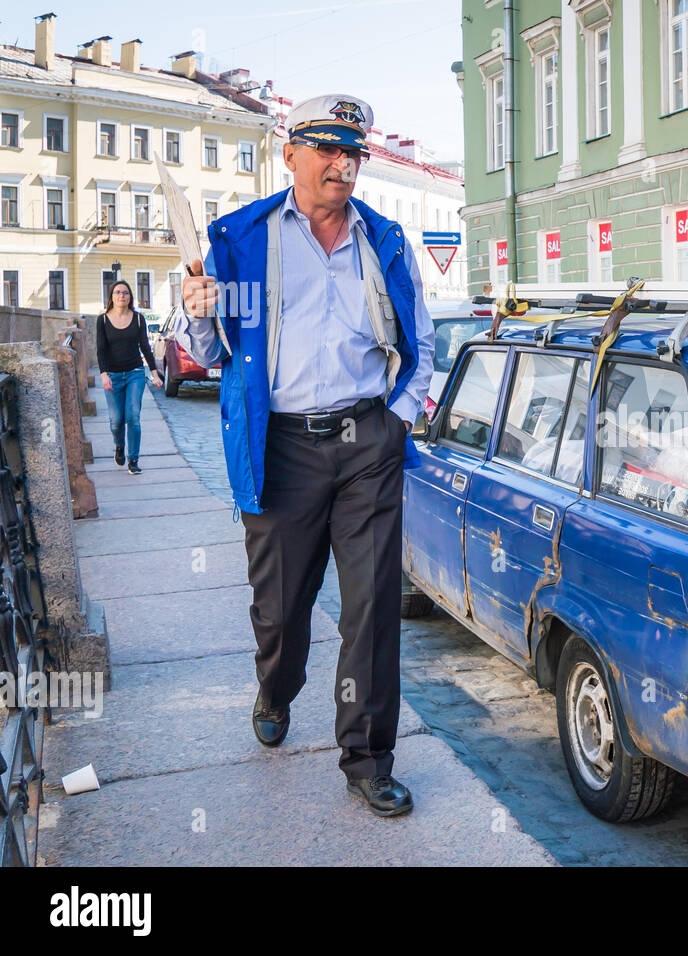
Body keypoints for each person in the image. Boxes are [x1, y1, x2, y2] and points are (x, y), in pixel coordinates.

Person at [177, 94, 435, 817]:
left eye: (351, 152)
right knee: (282, 610)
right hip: (280, 444)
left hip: (366, 445)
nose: (340, 164)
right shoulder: (243, 236)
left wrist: (398, 421)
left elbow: (421, 343)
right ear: (289, 155)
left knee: (372, 607)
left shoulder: (383, 240)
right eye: (325, 149)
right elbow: (209, 352)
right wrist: (196, 312)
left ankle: (366, 758)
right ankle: (275, 685)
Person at [96, 279, 163, 476]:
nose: (121, 296)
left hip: (135, 374)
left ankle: (133, 459)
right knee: (116, 421)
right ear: (111, 297)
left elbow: (145, 347)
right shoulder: (103, 320)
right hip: (113, 376)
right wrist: (104, 375)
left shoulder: (138, 319)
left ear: (130, 297)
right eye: (117, 292)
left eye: (125, 293)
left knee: (132, 417)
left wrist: (154, 373)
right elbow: (101, 351)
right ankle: (119, 446)